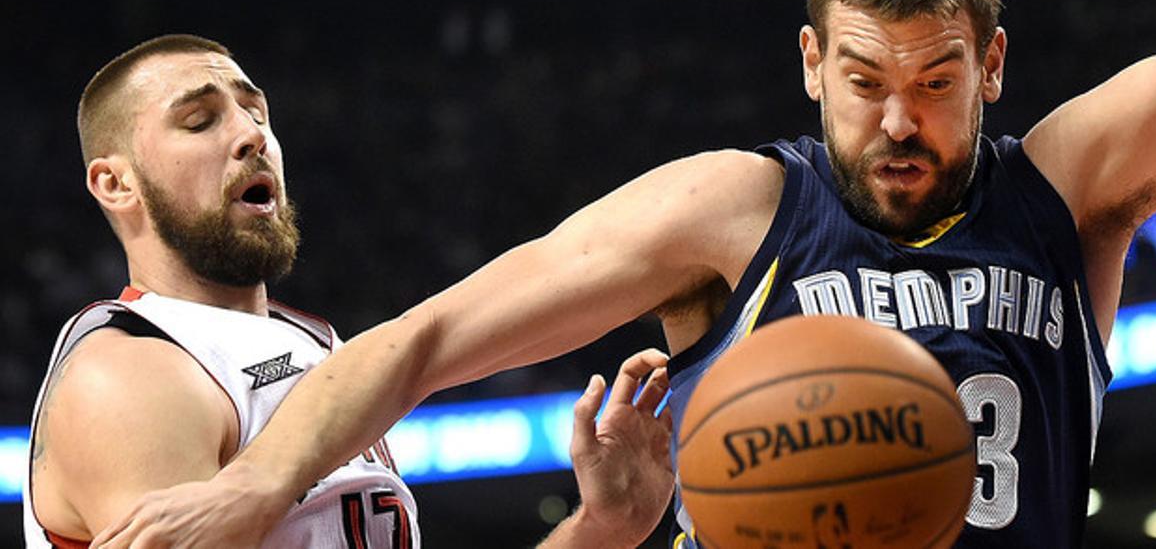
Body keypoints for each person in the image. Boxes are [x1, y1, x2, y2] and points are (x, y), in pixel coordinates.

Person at [93, 0, 1156, 547]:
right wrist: (253, 484)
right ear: (811, 63)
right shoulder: (739, 205)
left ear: (993, 66)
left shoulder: (1065, 188)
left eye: (936, 82)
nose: (899, 121)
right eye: (865, 82)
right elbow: (425, 338)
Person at [22, 35, 675, 548]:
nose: (253, 136)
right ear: (117, 184)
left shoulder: (319, 345)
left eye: (257, 112)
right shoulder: (129, 372)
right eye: (199, 121)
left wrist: (599, 529)